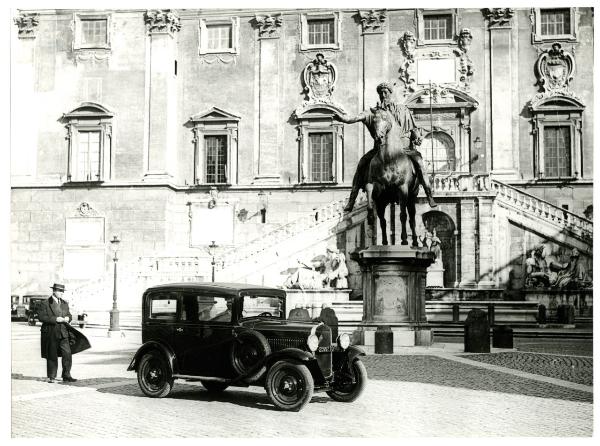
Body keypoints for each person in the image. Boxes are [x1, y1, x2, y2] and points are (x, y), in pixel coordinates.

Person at [334, 82, 437, 212]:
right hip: (380, 149)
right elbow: (355, 118)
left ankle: (429, 195)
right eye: (381, 93)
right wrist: (344, 119)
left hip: (405, 149)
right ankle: (352, 200)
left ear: (390, 93)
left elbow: (413, 128)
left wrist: (417, 137)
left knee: (419, 162)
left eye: (385, 92)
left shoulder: (402, 109)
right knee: (362, 164)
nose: (383, 95)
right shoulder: (374, 112)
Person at [38, 283, 90, 383]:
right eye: (60, 291)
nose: (62, 293)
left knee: (67, 354)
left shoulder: (65, 303)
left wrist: (68, 318)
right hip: (51, 332)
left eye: (63, 291)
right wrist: (55, 319)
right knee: (52, 355)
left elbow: (69, 315)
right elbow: (41, 317)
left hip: (63, 332)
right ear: (54, 291)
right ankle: (52, 376)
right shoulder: (45, 303)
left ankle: (66, 375)